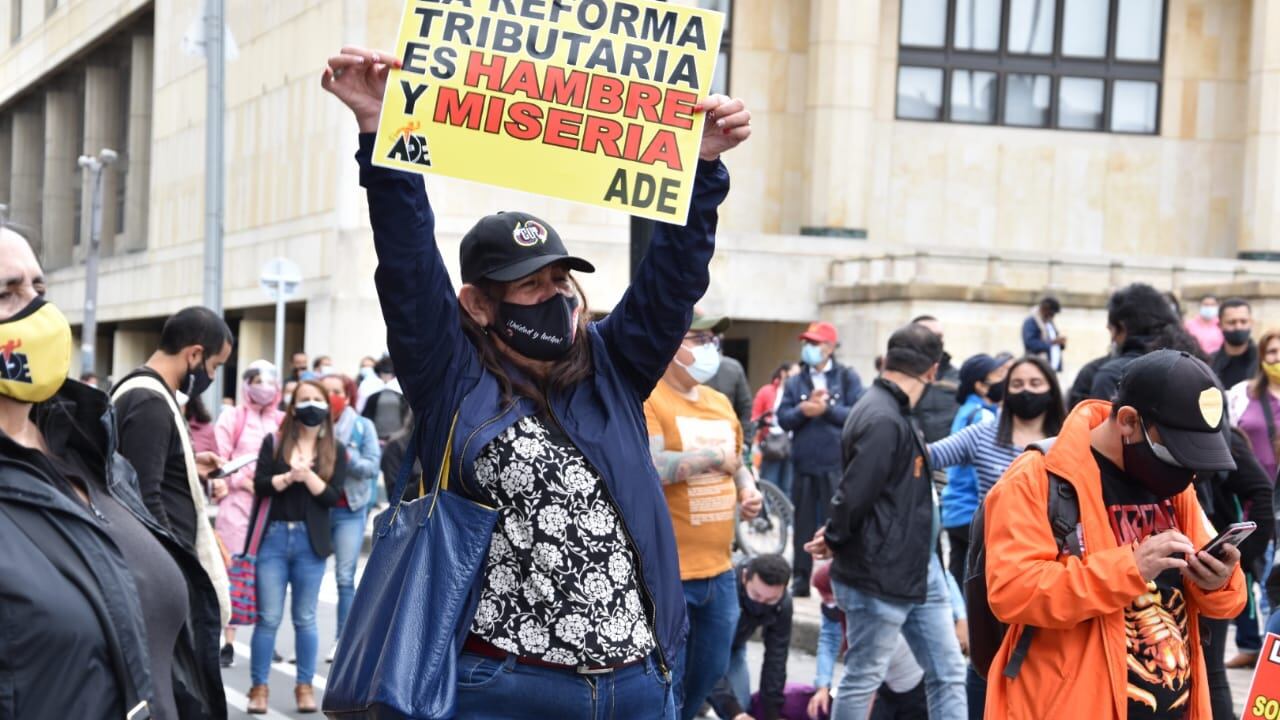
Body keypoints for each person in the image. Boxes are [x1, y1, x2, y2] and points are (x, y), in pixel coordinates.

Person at [323, 45, 751, 718]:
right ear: (477, 304)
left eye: (561, 281)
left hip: (637, 686)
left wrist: (702, 168)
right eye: (531, 285)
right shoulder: (451, 378)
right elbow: (406, 258)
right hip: (508, 689)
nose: (556, 296)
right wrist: (383, 131)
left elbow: (673, 282)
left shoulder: (612, 366)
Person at [0, 226, 227, 719]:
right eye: (7, 293)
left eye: (39, 289)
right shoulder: (141, 402)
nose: (39, 311)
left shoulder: (87, 447)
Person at [981, 349, 1246, 718]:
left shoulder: (1174, 484)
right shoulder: (1037, 478)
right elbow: (1012, 592)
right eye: (1176, 453)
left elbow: (1224, 602)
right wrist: (1130, 568)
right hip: (1070, 703)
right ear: (1128, 421)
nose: (1187, 471)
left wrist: (1218, 581)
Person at [803, 324, 967, 720]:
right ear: (931, 371)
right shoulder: (883, 416)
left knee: (948, 673)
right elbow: (855, 492)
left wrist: (836, 535)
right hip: (879, 569)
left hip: (915, 566)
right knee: (865, 678)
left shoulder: (889, 410)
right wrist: (836, 537)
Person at [645, 321, 764, 719]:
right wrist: (713, 459)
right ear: (671, 343)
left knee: (712, 669)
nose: (711, 347)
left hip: (720, 571)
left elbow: (740, 462)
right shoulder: (650, 398)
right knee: (669, 678)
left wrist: (748, 490)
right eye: (700, 339)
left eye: (715, 339)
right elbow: (652, 466)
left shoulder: (719, 401)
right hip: (671, 573)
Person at [113, 306, 234, 625]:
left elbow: (143, 469)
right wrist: (180, 570)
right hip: (159, 578)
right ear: (194, 354)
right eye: (215, 365)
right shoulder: (149, 401)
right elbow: (143, 499)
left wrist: (189, 465)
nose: (212, 376)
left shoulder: (143, 392)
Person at [246, 380, 349, 714]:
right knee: (268, 618)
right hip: (273, 538)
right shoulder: (274, 442)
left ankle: (305, 687)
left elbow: (333, 496)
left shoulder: (337, 449)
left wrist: (307, 477)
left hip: (310, 541)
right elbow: (260, 486)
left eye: (317, 400)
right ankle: (258, 689)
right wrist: (289, 476)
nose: (311, 405)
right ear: (292, 407)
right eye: (304, 399)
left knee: (305, 618)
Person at [777, 321, 863, 597]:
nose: (809, 349)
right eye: (807, 344)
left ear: (829, 347)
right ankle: (801, 579)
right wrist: (804, 410)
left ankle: (838, 577)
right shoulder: (795, 381)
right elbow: (783, 419)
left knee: (836, 522)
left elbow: (856, 415)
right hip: (803, 464)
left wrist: (826, 410)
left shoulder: (847, 377)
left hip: (834, 465)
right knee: (801, 523)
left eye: (814, 343)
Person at [212, 360, 285, 667]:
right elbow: (220, 458)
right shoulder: (232, 417)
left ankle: (267, 637)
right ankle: (228, 641)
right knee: (235, 572)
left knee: (269, 574)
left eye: (269, 381)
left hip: (271, 506)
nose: (264, 387)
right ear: (246, 384)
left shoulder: (283, 420)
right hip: (238, 507)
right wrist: (244, 482)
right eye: (257, 380)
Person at [320, 372, 382, 663]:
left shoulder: (361, 426)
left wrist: (344, 455)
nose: (331, 397)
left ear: (348, 396)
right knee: (309, 576)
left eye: (337, 391)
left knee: (345, 576)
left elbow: (371, 467)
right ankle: (306, 646)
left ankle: (341, 641)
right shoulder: (311, 423)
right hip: (317, 508)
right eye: (325, 391)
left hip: (349, 509)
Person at [939, 353, 1011, 590]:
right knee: (975, 584)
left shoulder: (966, 410)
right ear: (980, 385)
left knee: (958, 577)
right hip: (972, 511)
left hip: (954, 508)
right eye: (998, 376)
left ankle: (957, 623)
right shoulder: (984, 416)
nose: (1003, 382)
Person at [707, 554, 792, 720]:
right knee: (684, 702)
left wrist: (772, 714)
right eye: (756, 595)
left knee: (742, 705)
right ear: (745, 577)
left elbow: (776, 658)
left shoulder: (783, 604)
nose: (761, 603)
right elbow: (706, 659)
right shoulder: (723, 586)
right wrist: (733, 711)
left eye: (771, 600)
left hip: (734, 647)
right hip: (696, 647)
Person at [1085, 282, 1185, 401]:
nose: (1112, 339)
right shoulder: (1191, 365)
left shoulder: (1111, 374)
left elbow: (1102, 416)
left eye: (1111, 329)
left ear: (1122, 327)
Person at [700, 312, 753, 448]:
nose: (710, 343)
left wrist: (745, 442)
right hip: (694, 443)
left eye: (713, 339)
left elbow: (745, 408)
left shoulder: (733, 368)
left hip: (727, 443)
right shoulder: (684, 367)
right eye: (703, 339)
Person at [910, 315, 961, 444]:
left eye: (939, 336)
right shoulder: (902, 379)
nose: (937, 341)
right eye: (930, 335)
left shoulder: (957, 377)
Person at [753, 363, 799, 498]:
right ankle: (768, 517)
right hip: (772, 443)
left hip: (791, 444)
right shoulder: (767, 391)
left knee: (788, 486)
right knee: (769, 484)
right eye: (794, 373)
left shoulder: (798, 392)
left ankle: (784, 518)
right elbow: (755, 416)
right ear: (784, 373)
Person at [1213, 297, 1259, 389]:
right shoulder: (1210, 362)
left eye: (1243, 321)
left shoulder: (1263, 361)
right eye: (1231, 322)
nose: (1238, 327)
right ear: (1220, 325)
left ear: (1251, 323)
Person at [1022, 296, 1065, 372]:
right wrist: (1052, 343)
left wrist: (1061, 343)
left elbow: (1054, 343)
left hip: (1052, 367)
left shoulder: (1049, 323)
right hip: (1037, 366)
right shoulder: (1031, 322)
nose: (1052, 316)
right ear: (1045, 309)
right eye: (1051, 313)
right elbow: (1031, 344)